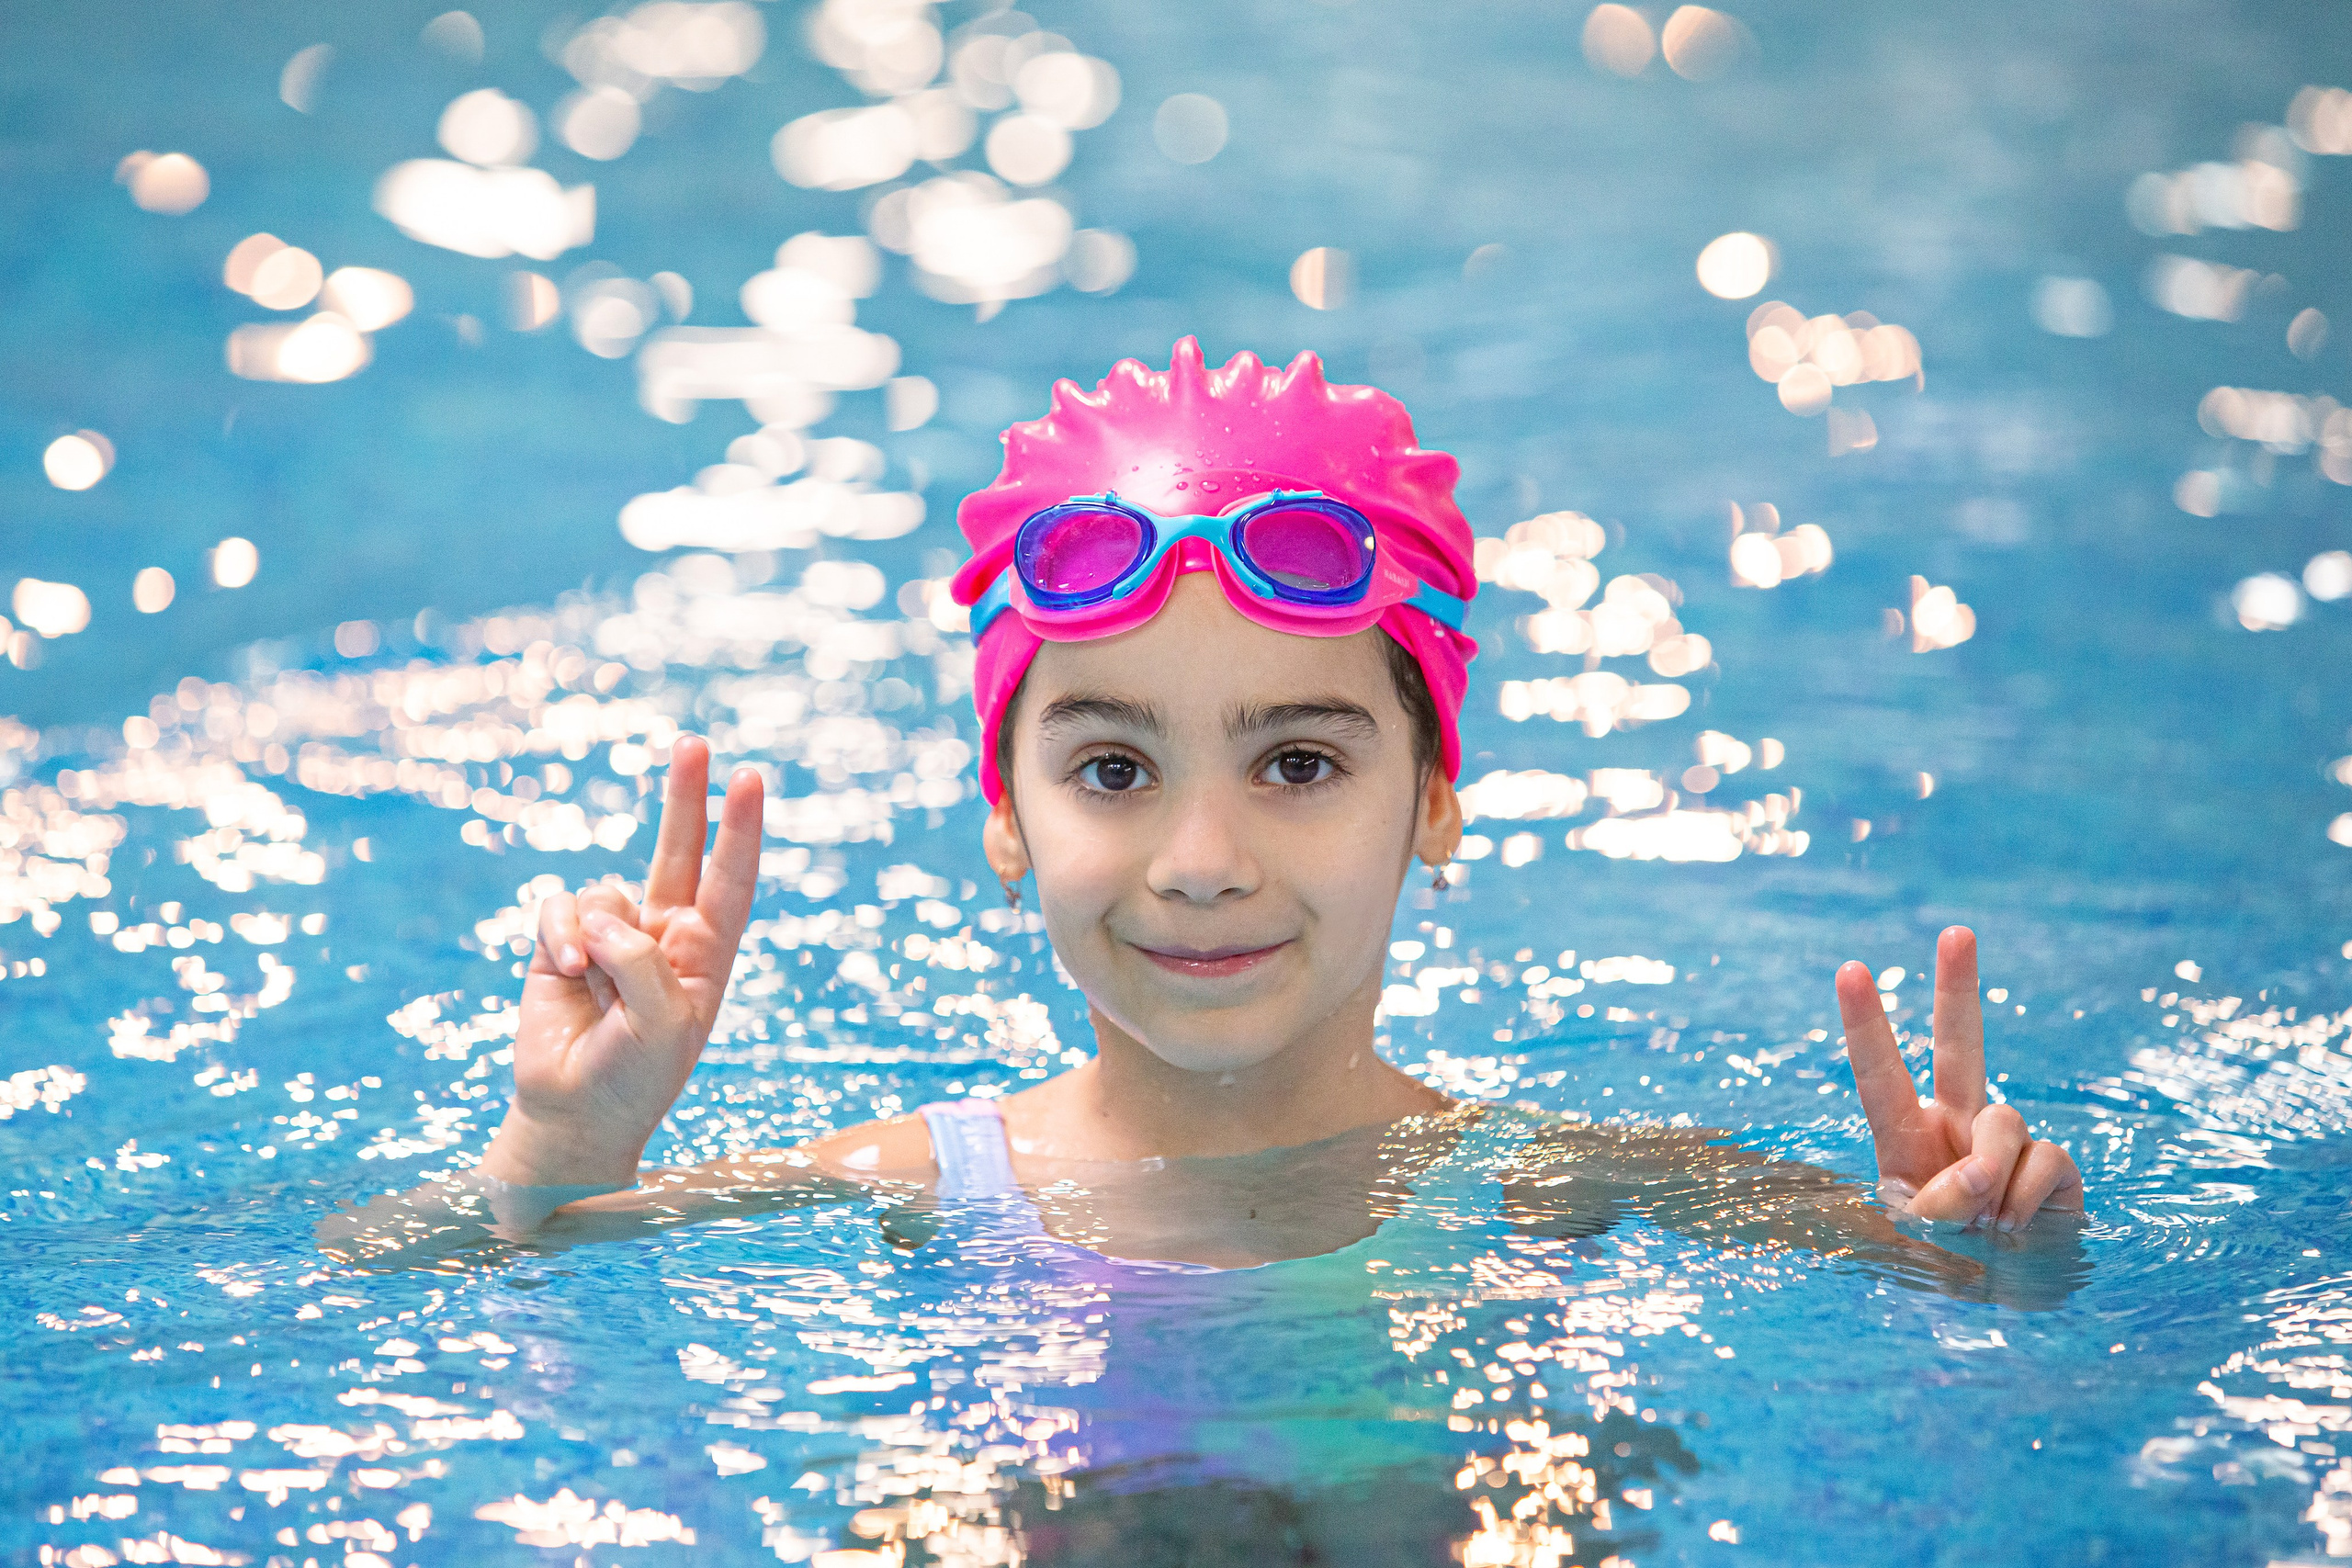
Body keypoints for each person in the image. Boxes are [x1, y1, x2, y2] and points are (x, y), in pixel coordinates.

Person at [320, 339, 2082, 1277]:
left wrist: (1985, 1243)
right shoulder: (917, 1189)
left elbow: (1963, 1304)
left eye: (1301, 762)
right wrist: (561, 1155)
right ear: (1005, 821)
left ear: (1436, 801)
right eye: (1110, 770)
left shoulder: (1558, 1187)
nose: (1203, 859)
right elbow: (384, 1279)